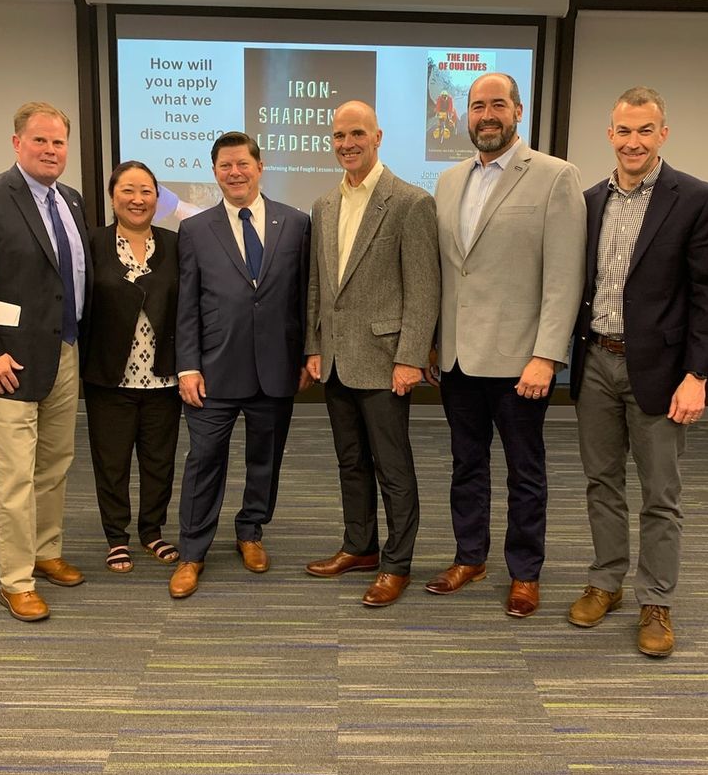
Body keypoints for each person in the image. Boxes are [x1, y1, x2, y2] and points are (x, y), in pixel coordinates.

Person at [568, 87, 708, 657]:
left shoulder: (698, 199)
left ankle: (656, 601)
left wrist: (698, 375)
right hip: (596, 361)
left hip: (662, 372)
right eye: (624, 131)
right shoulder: (589, 200)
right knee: (601, 481)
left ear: (663, 133)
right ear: (609, 134)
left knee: (660, 493)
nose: (633, 142)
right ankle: (606, 581)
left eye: (644, 130)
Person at [425, 72, 586, 616]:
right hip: (458, 357)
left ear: (518, 110)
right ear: (465, 115)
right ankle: (470, 557)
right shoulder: (449, 180)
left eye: (498, 104)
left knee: (525, 471)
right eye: (477, 106)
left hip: (521, 361)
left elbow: (564, 276)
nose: (486, 115)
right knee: (465, 465)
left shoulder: (555, 176)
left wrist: (547, 355)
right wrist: (434, 342)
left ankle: (524, 572)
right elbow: (451, 272)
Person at [0, 101, 92, 621]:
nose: (51, 150)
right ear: (16, 143)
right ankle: (15, 580)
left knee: (55, 463)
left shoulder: (70, 200)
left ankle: (46, 551)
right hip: (6, 362)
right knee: (15, 476)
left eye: (58, 142)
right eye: (40, 140)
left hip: (64, 352)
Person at [305, 100, 440, 607]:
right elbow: (318, 285)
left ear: (377, 137)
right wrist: (314, 346)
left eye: (357, 134)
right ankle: (359, 546)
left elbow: (423, 290)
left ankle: (396, 562)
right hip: (336, 359)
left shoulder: (410, 202)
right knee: (350, 462)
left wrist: (410, 358)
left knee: (392, 467)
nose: (347, 144)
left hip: (385, 362)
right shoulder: (324, 205)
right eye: (339, 136)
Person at [170, 132, 311, 598]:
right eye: (225, 166)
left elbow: (304, 298)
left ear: (259, 166)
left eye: (242, 164)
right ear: (215, 172)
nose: (235, 173)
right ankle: (192, 552)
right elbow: (186, 305)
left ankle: (251, 530)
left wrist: (307, 354)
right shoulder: (195, 229)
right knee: (204, 459)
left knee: (265, 459)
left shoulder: (296, 223)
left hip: (276, 367)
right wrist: (187, 367)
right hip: (213, 370)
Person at [82, 161, 181, 575]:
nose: (137, 199)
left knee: (160, 461)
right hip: (109, 376)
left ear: (157, 198)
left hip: (164, 377)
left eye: (146, 191)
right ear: (112, 197)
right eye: (127, 190)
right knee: (112, 462)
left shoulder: (176, 244)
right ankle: (116, 537)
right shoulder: (92, 243)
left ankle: (151, 531)